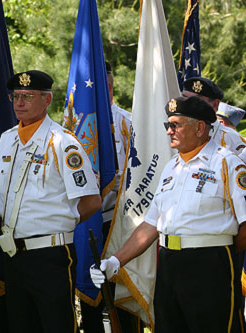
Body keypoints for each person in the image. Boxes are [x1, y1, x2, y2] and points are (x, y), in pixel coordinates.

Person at [0, 70, 102, 332]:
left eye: (27, 96)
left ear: (47, 100)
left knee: (57, 326)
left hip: (50, 254)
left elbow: (92, 201)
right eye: (15, 96)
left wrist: (61, 222)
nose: (19, 103)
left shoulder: (62, 142)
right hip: (13, 254)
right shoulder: (7, 140)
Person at [90, 96, 246, 332]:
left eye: (176, 125)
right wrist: (115, 261)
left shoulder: (227, 163)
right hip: (169, 263)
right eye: (168, 125)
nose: (169, 131)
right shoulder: (171, 168)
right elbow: (151, 224)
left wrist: (223, 256)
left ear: (200, 127)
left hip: (210, 265)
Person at [80, 62, 141, 333]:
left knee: (122, 300)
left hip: (122, 224)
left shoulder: (128, 123)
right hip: (86, 223)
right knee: (90, 297)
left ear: (110, 84)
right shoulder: (74, 125)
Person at [182, 77, 246, 156]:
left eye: (196, 100)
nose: (188, 105)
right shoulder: (174, 133)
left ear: (215, 105)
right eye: (184, 98)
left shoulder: (232, 140)